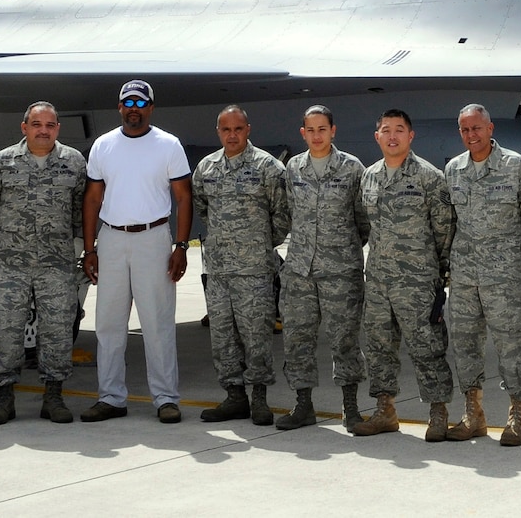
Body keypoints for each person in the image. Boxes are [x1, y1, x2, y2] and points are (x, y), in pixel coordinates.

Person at [80, 80, 193, 424]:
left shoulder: (168, 145)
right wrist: (89, 249)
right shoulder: (103, 145)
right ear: (119, 107)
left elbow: (184, 197)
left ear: (150, 107)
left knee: (157, 323)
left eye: (140, 102)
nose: (134, 108)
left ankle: (165, 398)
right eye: (127, 102)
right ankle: (111, 397)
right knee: (109, 324)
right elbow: (93, 198)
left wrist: (182, 245)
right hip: (112, 238)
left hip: (153, 238)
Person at [0, 101, 87, 425]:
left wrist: (70, 242)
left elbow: (81, 207)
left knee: (57, 331)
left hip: (56, 263)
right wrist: (10, 234)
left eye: (50, 125)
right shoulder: (3, 161)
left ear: (57, 129)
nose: (43, 130)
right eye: (36, 124)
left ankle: (53, 396)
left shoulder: (73, 162)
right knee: (7, 331)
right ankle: (3, 397)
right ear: (24, 127)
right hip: (11, 262)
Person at [350, 109, 457, 441]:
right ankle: (385, 411)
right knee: (380, 347)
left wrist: (435, 273)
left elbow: (444, 230)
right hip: (379, 281)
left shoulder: (429, 177)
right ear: (377, 136)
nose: (392, 136)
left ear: (411, 136)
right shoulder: (368, 177)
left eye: (399, 130)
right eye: (386, 130)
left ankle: (438, 412)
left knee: (427, 348)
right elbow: (363, 224)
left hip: (418, 282)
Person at [440, 104, 521, 446]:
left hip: (505, 278)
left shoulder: (516, 168)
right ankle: (474, 414)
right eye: (465, 130)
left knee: (512, 346)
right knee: (466, 346)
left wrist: (509, 254)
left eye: (477, 128)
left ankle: (517, 415)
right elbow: (449, 224)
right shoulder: (453, 170)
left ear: (490, 128)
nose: (472, 135)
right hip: (465, 278)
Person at [193, 105, 290, 425]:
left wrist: (259, 243)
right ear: (218, 132)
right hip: (219, 271)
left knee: (256, 335)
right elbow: (203, 209)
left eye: (237, 129)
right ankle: (234, 396)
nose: (231, 135)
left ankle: (259, 397)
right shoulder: (206, 168)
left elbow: (282, 215)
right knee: (222, 337)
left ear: (248, 129)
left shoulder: (268, 167)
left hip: (254, 270)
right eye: (225, 129)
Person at [277, 105, 371, 431]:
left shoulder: (352, 169)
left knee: (344, 340)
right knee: (297, 340)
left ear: (333, 131)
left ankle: (351, 407)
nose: (316, 135)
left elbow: (364, 221)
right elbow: (288, 212)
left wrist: (341, 251)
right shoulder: (293, 169)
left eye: (322, 129)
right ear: (303, 133)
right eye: (310, 130)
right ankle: (303, 406)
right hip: (300, 270)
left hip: (341, 271)